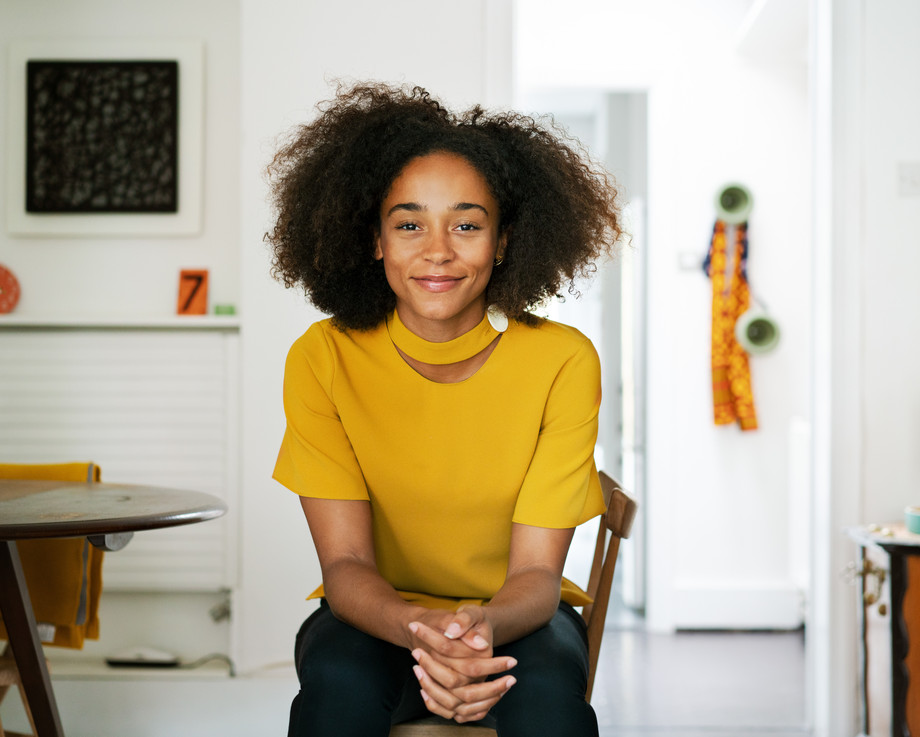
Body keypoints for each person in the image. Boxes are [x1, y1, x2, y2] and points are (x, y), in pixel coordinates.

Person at [267, 81, 623, 737]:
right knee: (335, 692)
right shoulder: (323, 357)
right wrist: (419, 625)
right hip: (373, 619)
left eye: (466, 224)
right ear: (375, 240)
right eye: (408, 224)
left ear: (505, 240)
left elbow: (538, 576)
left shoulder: (562, 360)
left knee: (551, 711)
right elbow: (345, 569)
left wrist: (476, 625)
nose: (437, 250)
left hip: (520, 621)